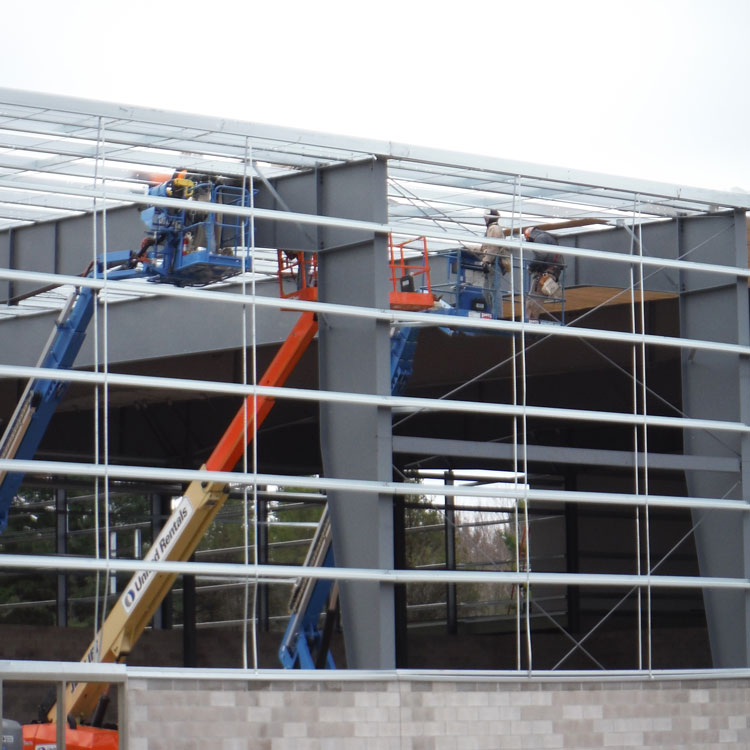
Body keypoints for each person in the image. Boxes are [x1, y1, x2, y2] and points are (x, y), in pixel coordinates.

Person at [523, 226, 564, 321]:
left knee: (534, 296)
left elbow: (541, 255)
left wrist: (532, 266)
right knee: (536, 297)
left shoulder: (539, 238)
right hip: (553, 270)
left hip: (546, 272)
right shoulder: (547, 237)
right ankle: (531, 319)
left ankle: (531, 320)